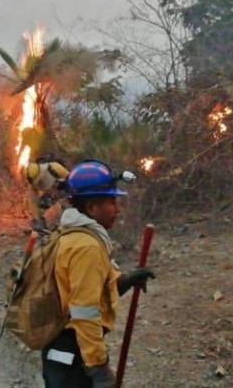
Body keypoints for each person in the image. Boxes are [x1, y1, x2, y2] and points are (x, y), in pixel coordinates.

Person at [42, 160, 155, 388]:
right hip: (72, 356)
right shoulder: (87, 247)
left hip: (61, 352)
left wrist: (124, 281)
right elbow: (84, 312)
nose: (117, 208)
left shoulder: (75, 235)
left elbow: (87, 290)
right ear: (92, 207)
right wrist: (99, 368)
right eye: (111, 201)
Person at [23, 154, 70, 231]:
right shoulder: (33, 183)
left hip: (65, 192)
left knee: (63, 207)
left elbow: (72, 179)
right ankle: (46, 226)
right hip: (51, 196)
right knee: (42, 206)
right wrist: (37, 218)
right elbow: (33, 201)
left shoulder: (54, 168)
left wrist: (63, 185)